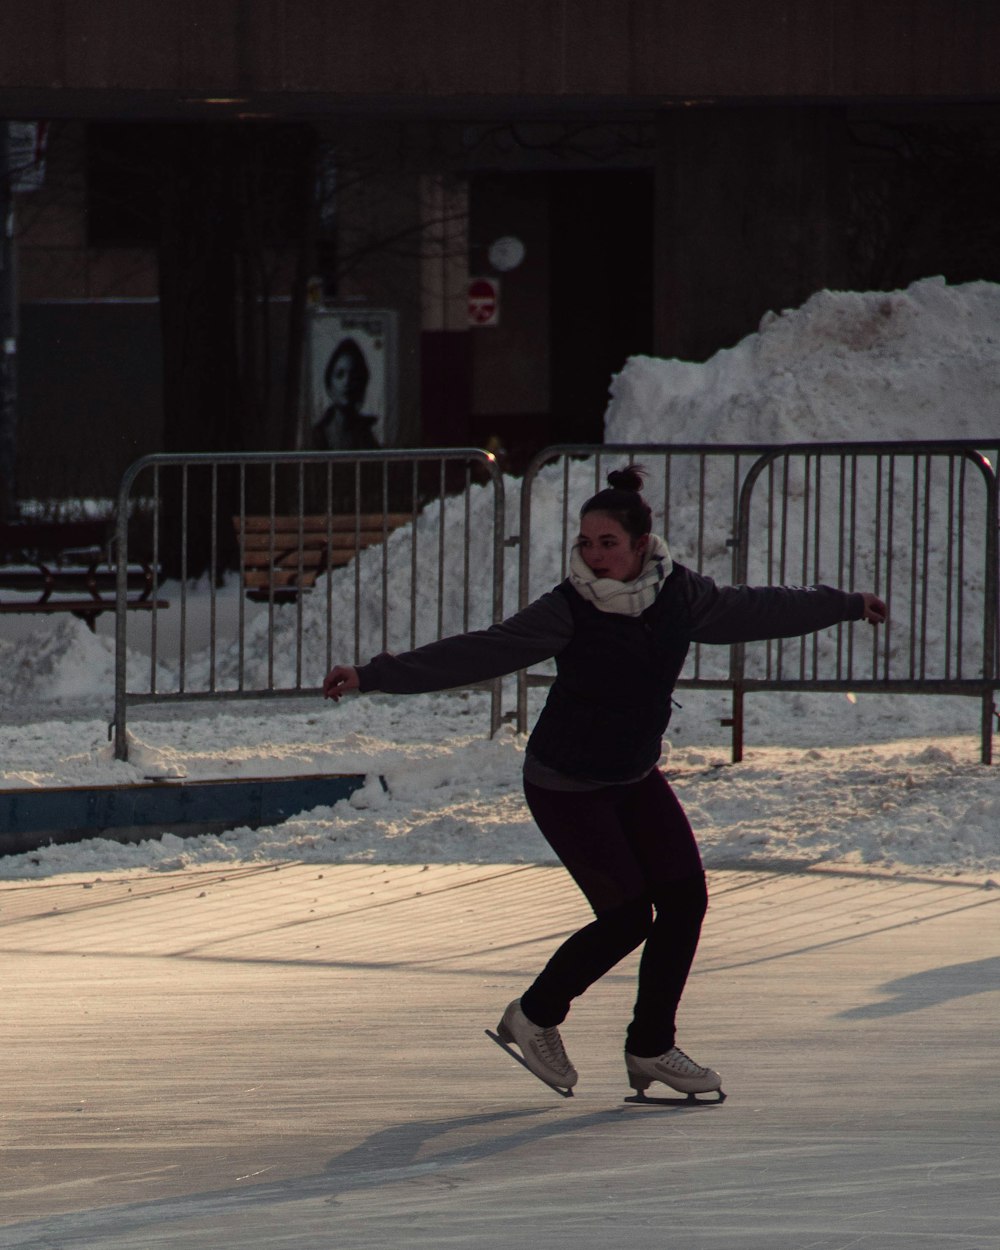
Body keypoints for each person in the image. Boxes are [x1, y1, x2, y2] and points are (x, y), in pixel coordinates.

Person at [322, 465, 887, 1098]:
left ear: (642, 544)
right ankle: (533, 1016)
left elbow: (756, 607)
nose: (594, 556)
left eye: (608, 544)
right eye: (586, 544)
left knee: (684, 901)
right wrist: (374, 675)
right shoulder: (570, 609)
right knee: (625, 917)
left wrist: (842, 603)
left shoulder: (681, 596)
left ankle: (650, 1047)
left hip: (632, 774)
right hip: (565, 784)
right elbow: (483, 650)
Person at [312, 337, 380, 451]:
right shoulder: (316, 437)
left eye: (353, 376)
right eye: (340, 375)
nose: (347, 382)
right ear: (329, 385)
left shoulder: (370, 436)